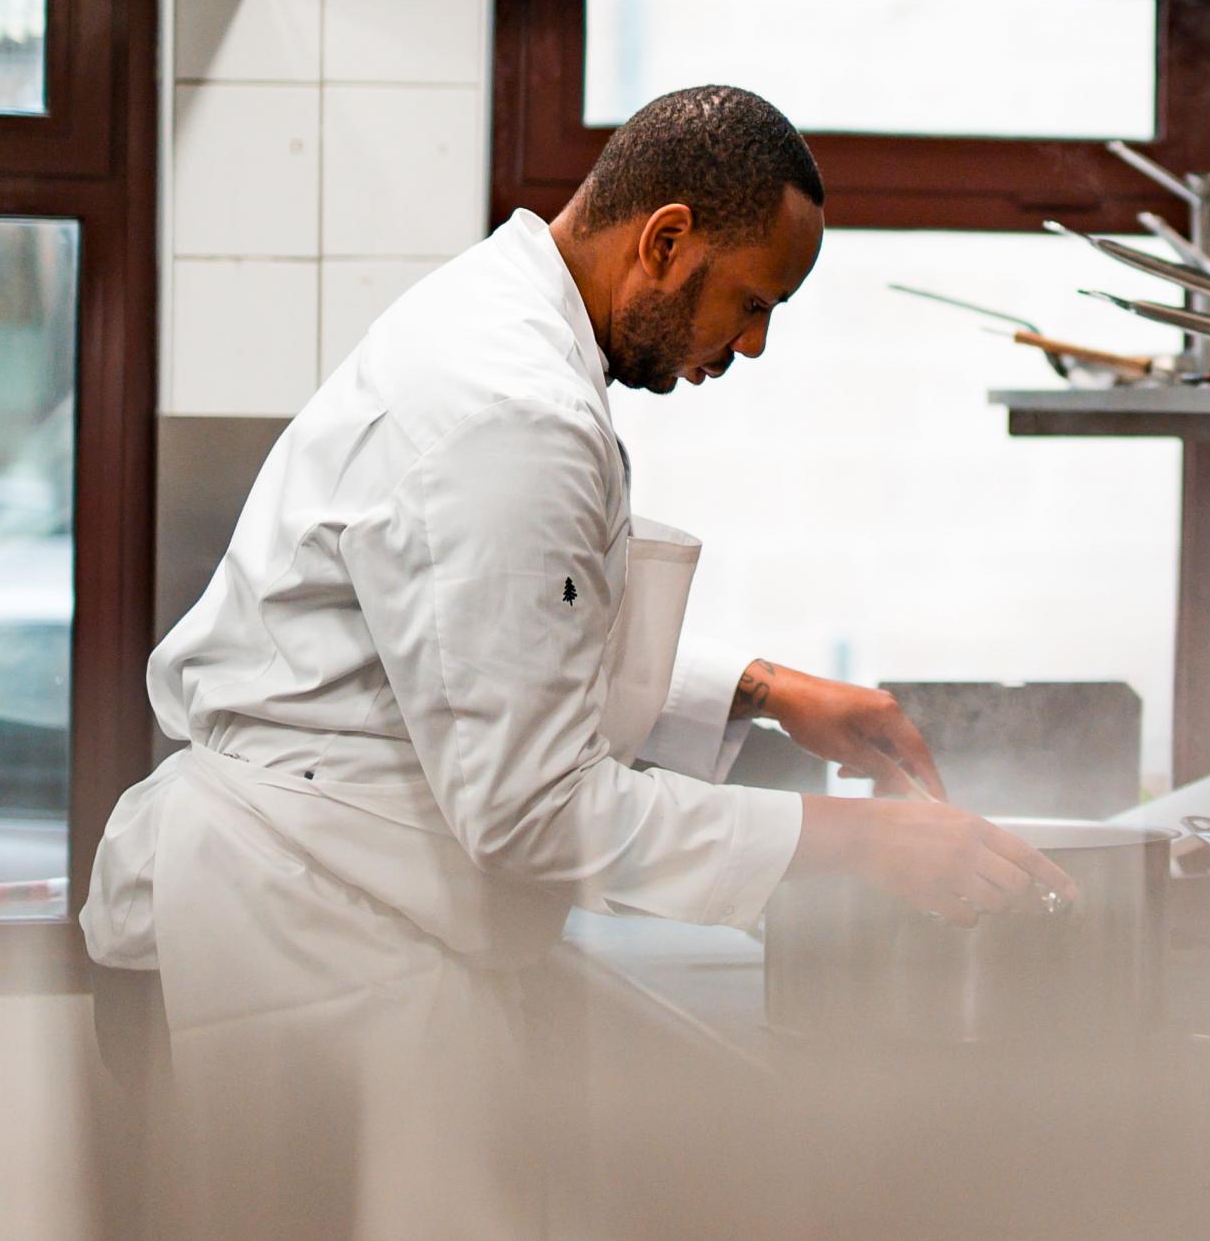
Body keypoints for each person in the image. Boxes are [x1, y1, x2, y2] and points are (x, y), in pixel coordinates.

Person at [81, 84, 1076, 1236]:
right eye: (753, 303)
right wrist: (856, 843)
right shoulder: (510, 408)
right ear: (665, 240)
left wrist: (758, 690)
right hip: (290, 937)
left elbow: (482, 650)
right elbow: (530, 806)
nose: (751, 344)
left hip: (320, 909)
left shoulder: (501, 328)